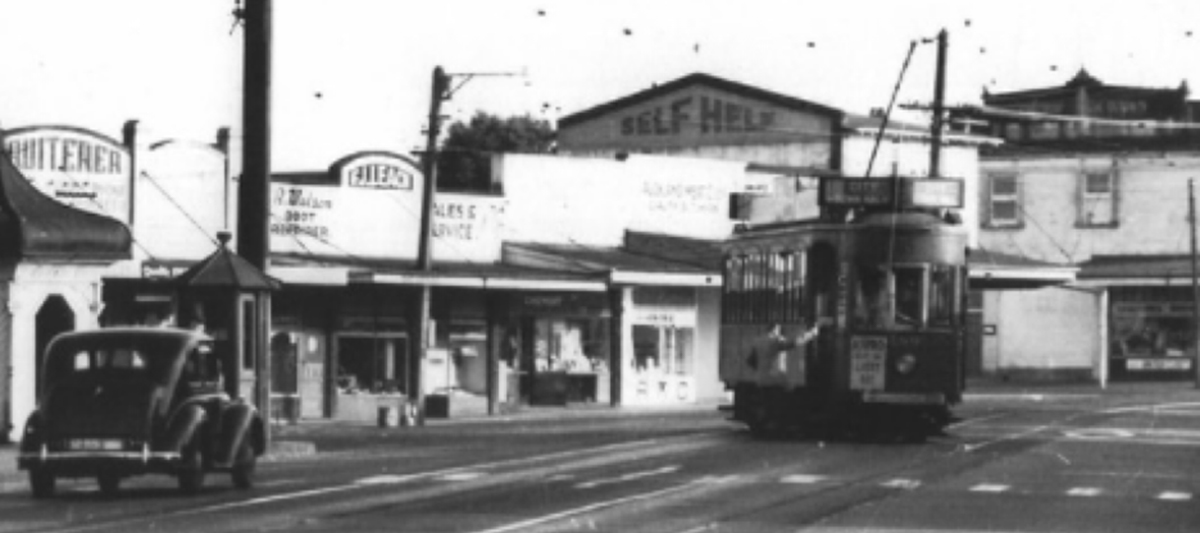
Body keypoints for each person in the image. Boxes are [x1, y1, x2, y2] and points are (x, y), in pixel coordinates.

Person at [752, 321, 821, 378]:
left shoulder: (759, 341)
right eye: (778, 330)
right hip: (774, 377)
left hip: (761, 378)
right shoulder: (775, 342)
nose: (779, 332)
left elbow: (751, 360)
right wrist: (812, 334)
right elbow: (795, 342)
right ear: (774, 330)